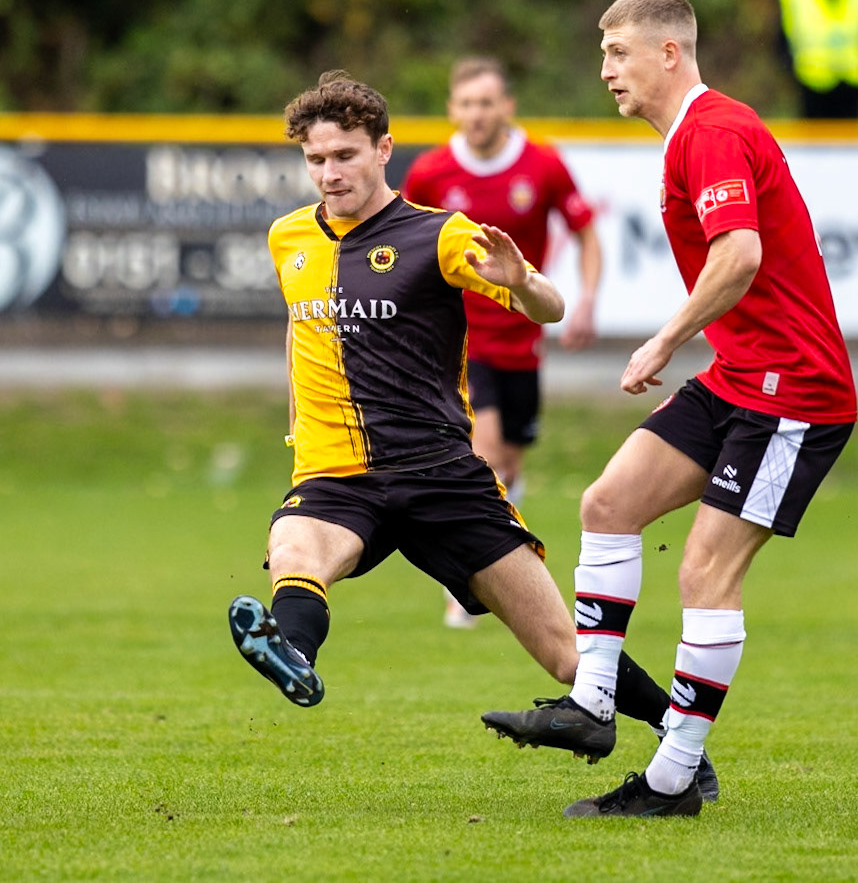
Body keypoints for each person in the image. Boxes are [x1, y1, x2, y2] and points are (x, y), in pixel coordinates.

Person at [483, 0, 856, 818]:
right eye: (602, 55)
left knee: (702, 573)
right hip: (738, 376)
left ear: (667, 53)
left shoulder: (714, 132)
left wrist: (662, 339)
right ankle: (592, 705)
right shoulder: (690, 136)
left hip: (792, 388)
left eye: (617, 53)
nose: (605, 70)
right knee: (607, 503)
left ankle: (672, 777)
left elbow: (740, 256)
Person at [226, 70, 593, 725]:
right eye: (315, 159)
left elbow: (550, 304)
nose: (329, 172)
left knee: (566, 656)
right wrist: (296, 425)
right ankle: (296, 659)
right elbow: (299, 329)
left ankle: (680, 741)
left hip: (437, 471)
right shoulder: (288, 237)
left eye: (344, 155)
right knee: (293, 551)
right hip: (339, 473)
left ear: (383, 149)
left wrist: (525, 285)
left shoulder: (442, 231)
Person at [402, 57, 602, 630]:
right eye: (466, 104)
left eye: (487, 103)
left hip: (524, 339)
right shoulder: (433, 172)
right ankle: (465, 581)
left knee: (509, 461)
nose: (476, 114)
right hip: (461, 340)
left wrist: (584, 300)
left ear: (507, 106)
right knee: (484, 454)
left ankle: (490, 547)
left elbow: (586, 233)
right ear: (452, 110)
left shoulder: (543, 165)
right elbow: (405, 242)